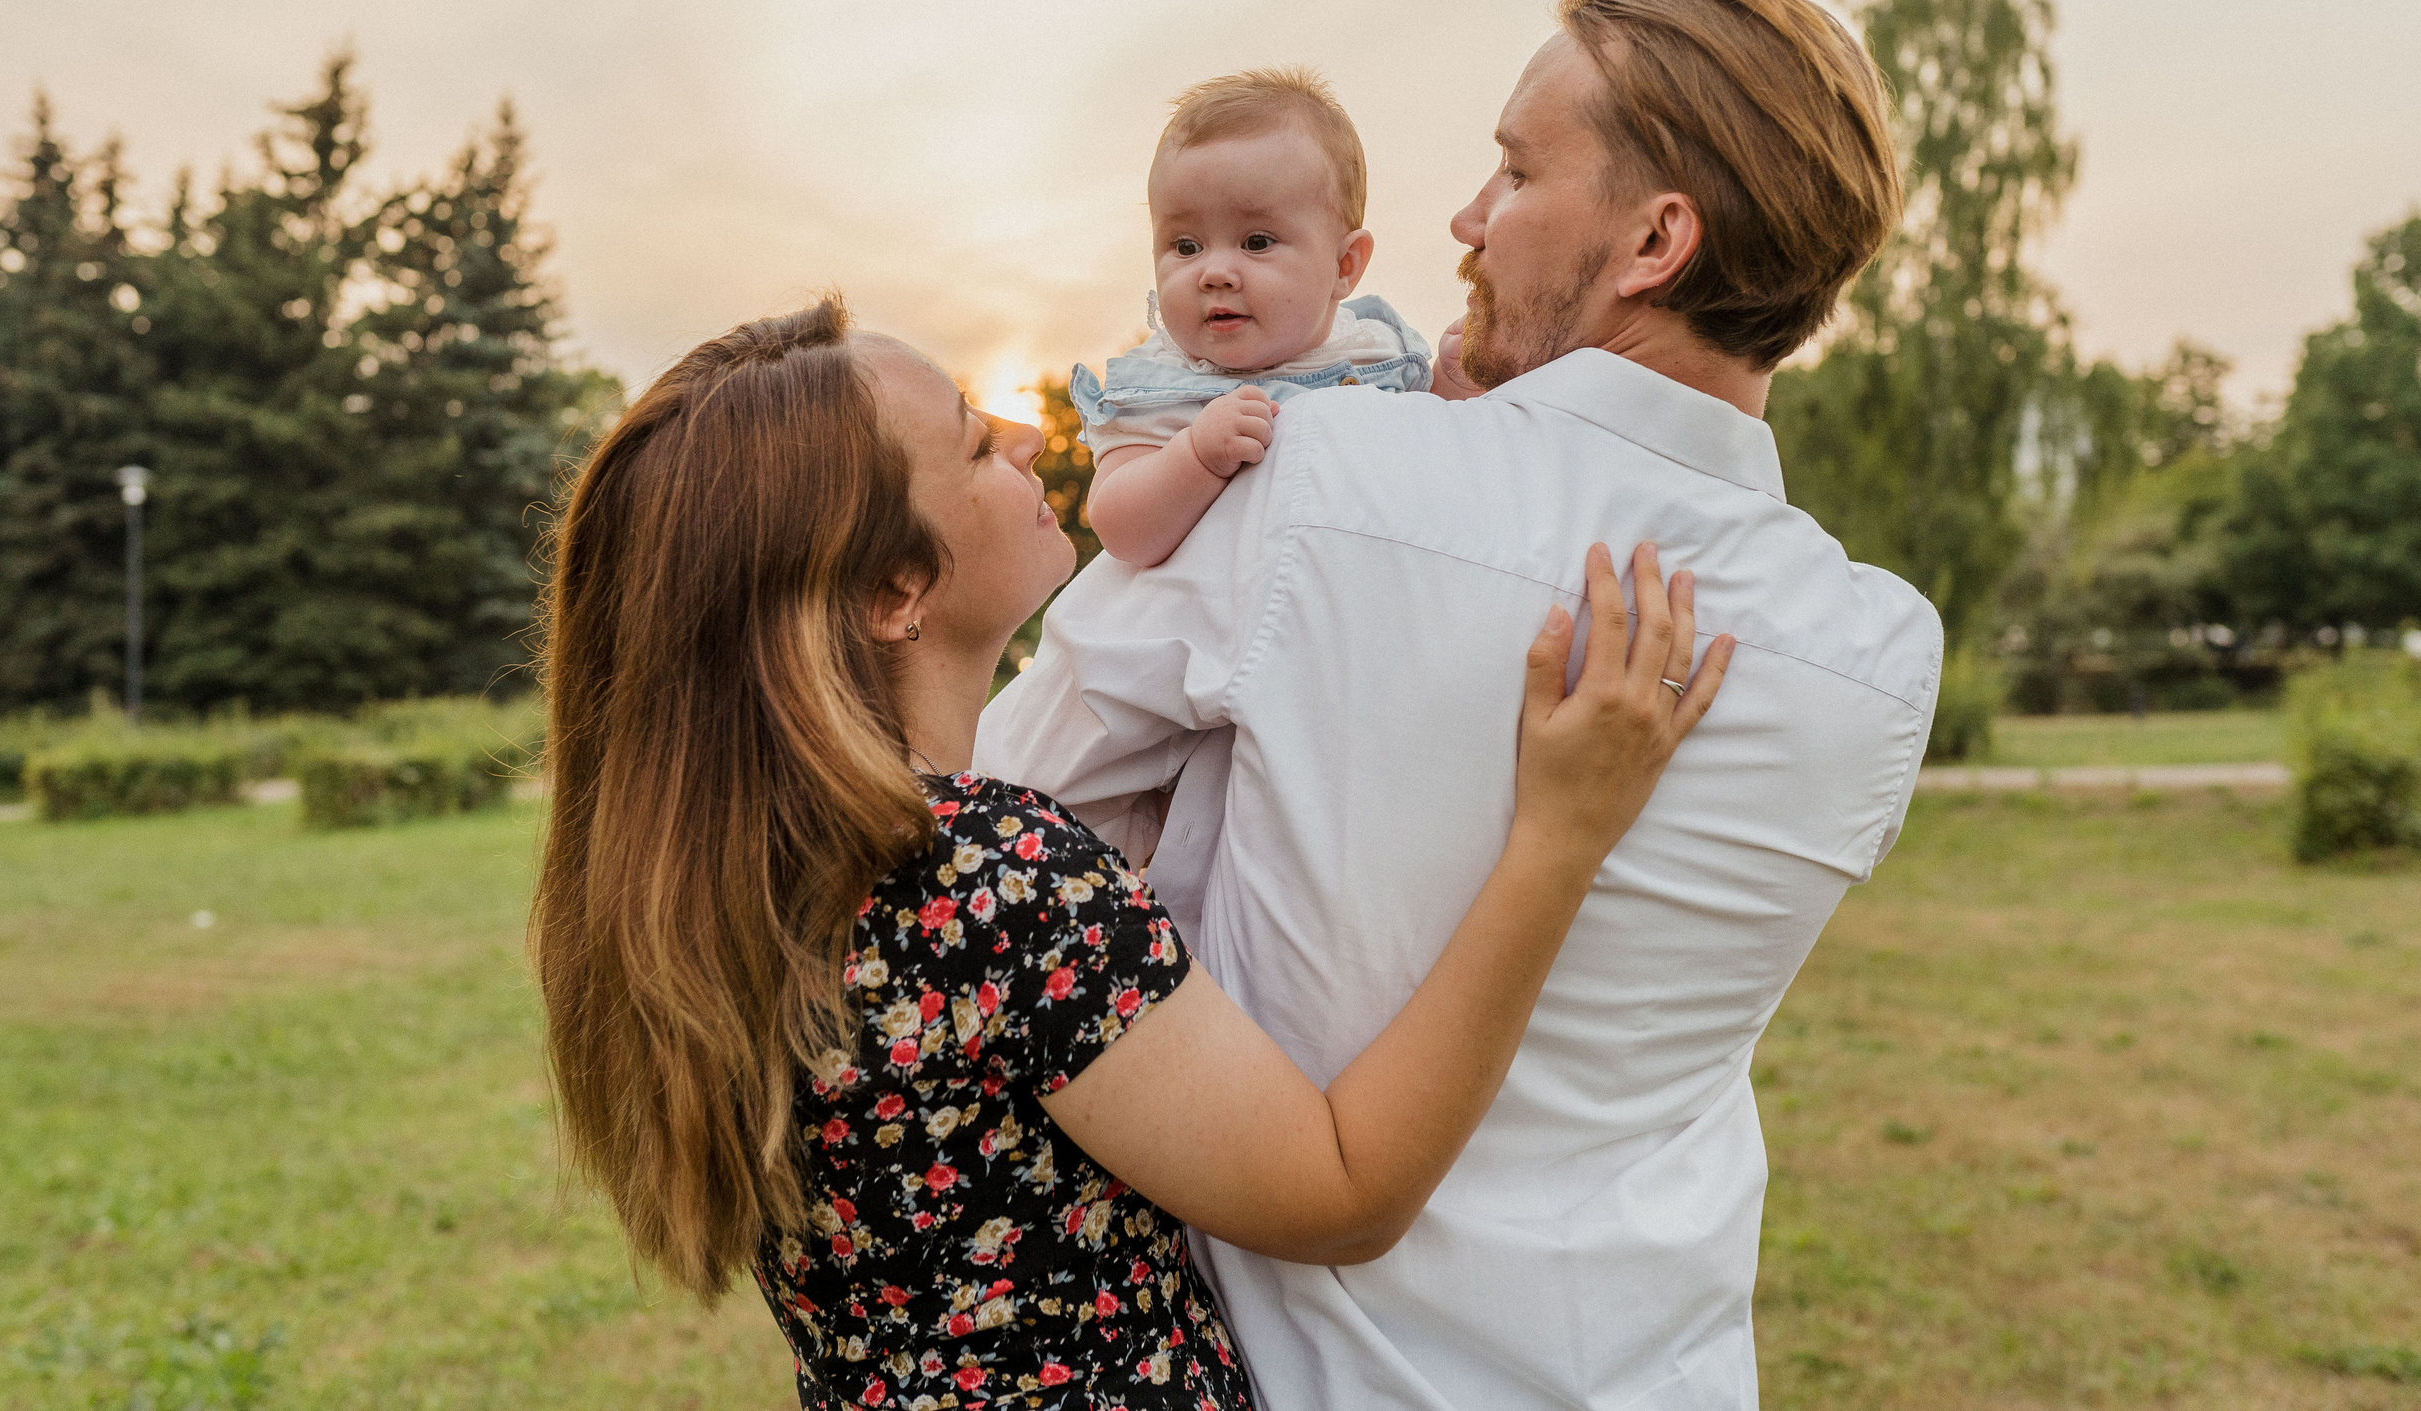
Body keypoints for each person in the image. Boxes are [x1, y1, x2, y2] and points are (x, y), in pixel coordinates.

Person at [978, 0, 1945, 1410]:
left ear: (1653, 240)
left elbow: (994, 810)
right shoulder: (1879, 653)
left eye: (1512, 169)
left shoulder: (1318, 481)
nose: (1466, 221)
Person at [528, 297, 1733, 1408]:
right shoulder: (983, 883)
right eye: (965, 436)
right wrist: (1560, 833)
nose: (1013, 427)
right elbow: (1346, 1190)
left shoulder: (726, 885)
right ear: (899, 588)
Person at [1072, 68, 1468, 569]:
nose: (1214, 273)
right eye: (1186, 246)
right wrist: (1194, 456)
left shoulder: (1378, 352)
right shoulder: (1160, 388)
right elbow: (1122, 532)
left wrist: (1452, 389)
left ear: (1344, 267)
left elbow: (1435, 464)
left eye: (1256, 242)